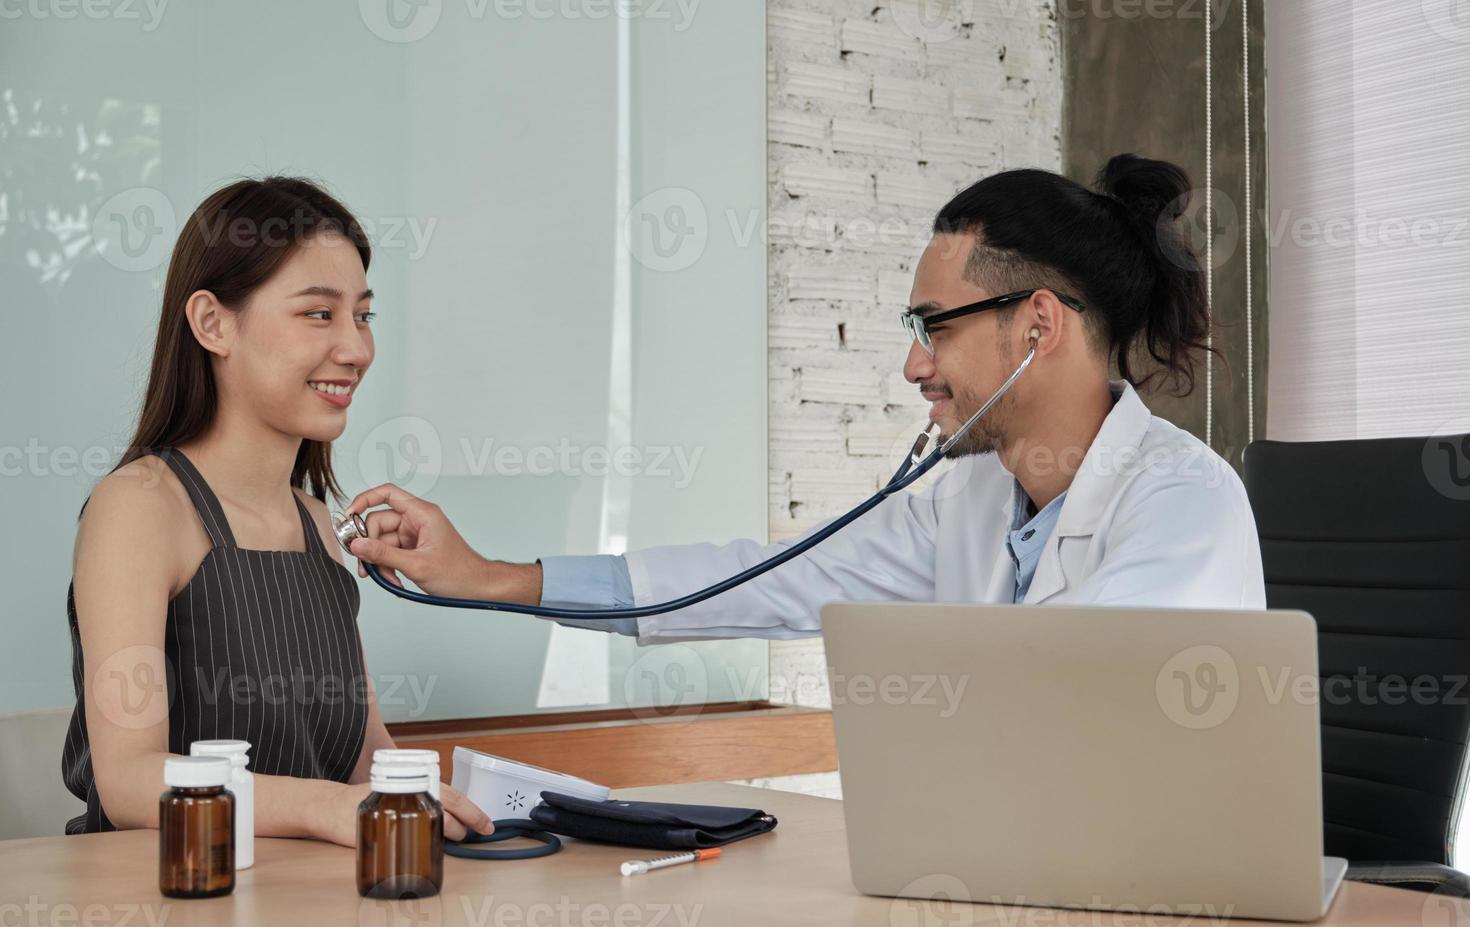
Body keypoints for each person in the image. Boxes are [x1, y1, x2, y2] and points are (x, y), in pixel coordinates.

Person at [342, 154, 1265, 643]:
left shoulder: (1180, 503)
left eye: (934, 327)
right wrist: (491, 578)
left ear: (1036, 327)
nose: (913, 368)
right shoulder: (969, 502)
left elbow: (1068, 689)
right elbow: (764, 581)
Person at [62, 176, 492, 843]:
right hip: (169, 910)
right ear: (212, 323)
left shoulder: (319, 523)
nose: (356, 348)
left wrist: (459, 804)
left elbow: (362, 754)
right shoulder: (139, 508)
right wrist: (327, 809)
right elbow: (126, 780)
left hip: (304, 911)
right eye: (319, 314)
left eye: (363, 315)